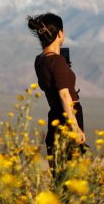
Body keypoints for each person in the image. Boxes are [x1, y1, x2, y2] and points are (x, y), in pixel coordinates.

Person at [28, 13, 86, 180]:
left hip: (54, 114)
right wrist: (74, 127)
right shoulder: (57, 61)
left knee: (59, 169)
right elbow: (64, 95)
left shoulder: (40, 60)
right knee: (71, 170)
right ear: (60, 33)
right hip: (68, 115)